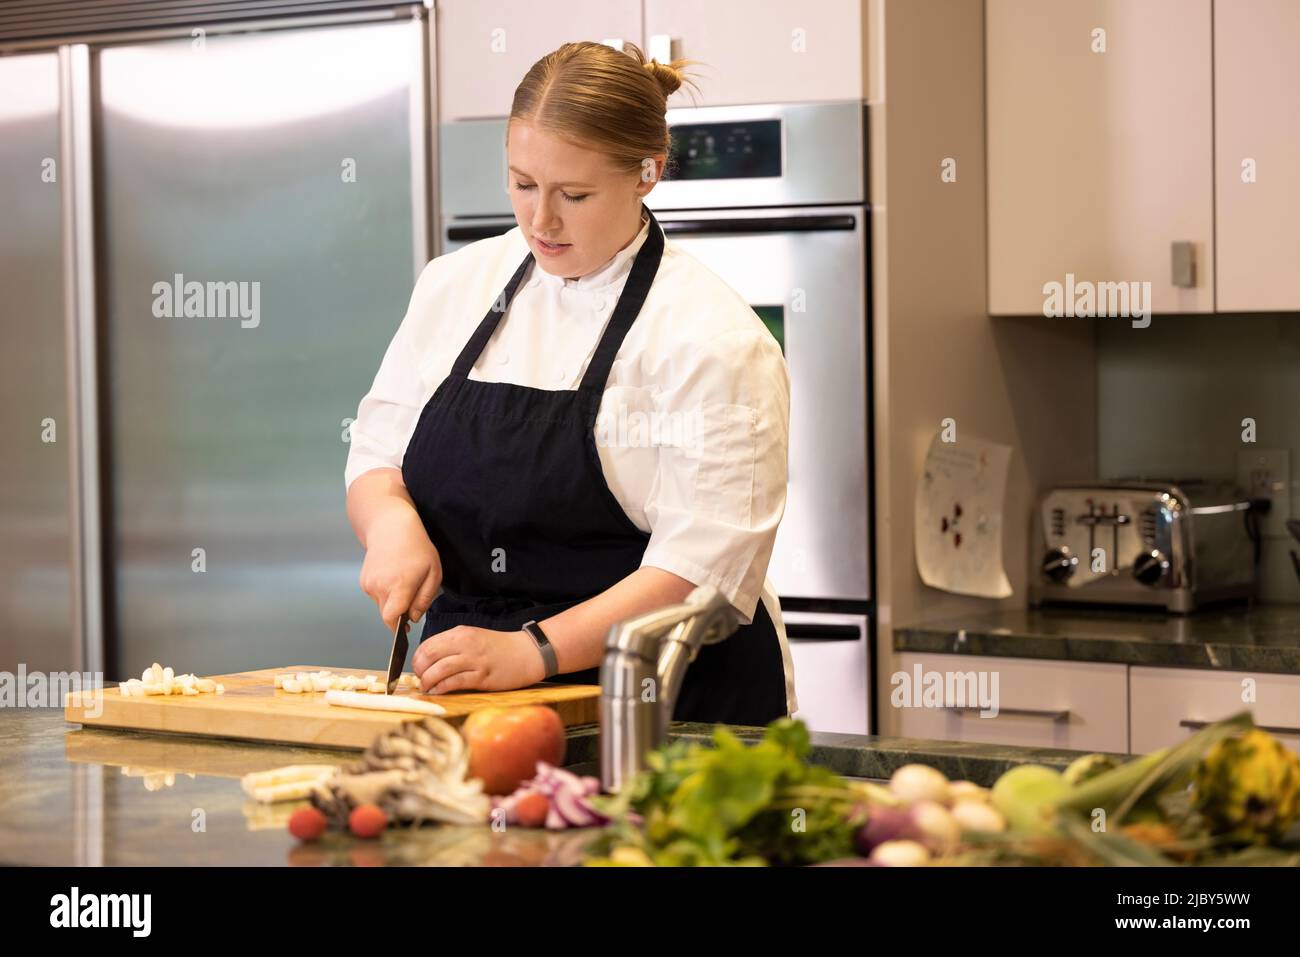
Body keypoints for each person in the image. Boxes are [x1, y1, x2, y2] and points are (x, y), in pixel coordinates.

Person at [344, 41, 796, 726]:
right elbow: (378, 456)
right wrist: (390, 525)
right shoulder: (456, 288)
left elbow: (701, 573)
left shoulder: (711, 337)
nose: (540, 220)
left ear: (649, 174)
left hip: (666, 710)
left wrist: (536, 651)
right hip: (475, 704)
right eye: (522, 184)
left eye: (573, 194)